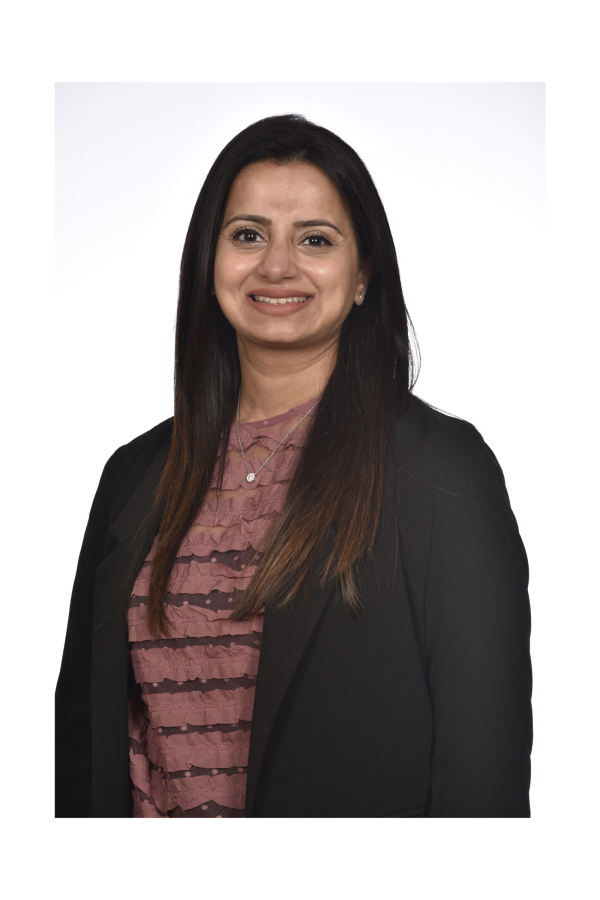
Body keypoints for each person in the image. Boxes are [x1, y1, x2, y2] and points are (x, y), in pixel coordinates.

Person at [54, 114, 532, 819]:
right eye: (248, 235)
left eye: (316, 239)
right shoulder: (133, 475)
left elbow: (481, 776)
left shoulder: (443, 472)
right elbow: (77, 751)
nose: (276, 266)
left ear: (364, 274)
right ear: (209, 262)